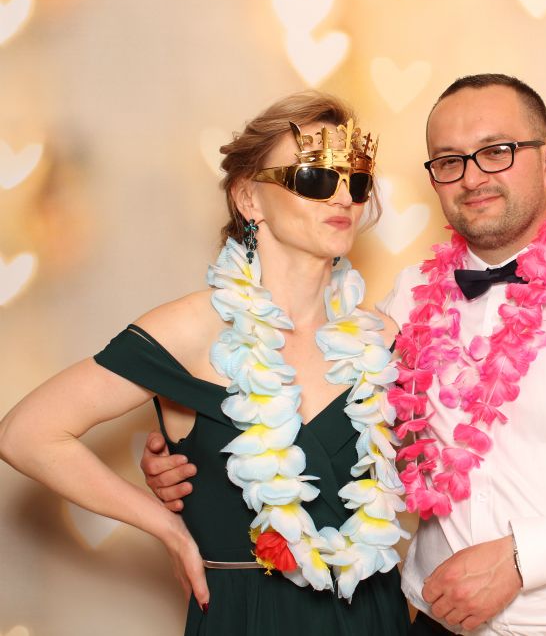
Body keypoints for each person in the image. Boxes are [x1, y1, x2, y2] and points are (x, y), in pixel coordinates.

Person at [143, 74, 546, 635]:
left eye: (497, 151)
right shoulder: (406, 299)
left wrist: (524, 558)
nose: (473, 177)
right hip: (431, 627)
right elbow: (345, 432)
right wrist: (201, 454)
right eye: (449, 160)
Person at [0, 91, 411, 635]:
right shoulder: (191, 330)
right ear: (249, 198)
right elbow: (26, 434)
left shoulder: (383, 339)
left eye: (356, 182)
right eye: (314, 177)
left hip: (373, 616)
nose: (342, 197)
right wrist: (166, 527)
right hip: (247, 619)